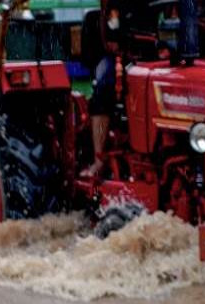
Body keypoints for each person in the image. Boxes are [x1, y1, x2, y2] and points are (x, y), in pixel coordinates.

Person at [84, 5, 121, 177]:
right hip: (117, 57)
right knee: (104, 83)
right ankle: (99, 159)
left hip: (147, 53)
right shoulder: (98, 17)